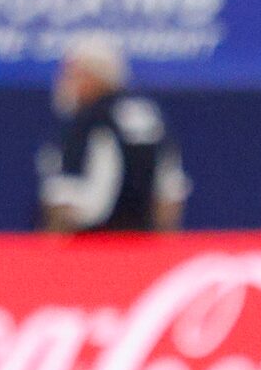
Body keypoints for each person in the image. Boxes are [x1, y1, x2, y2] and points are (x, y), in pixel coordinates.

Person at [39, 34, 187, 234]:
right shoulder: (148, 113)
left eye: (73, 74)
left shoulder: (86, 122)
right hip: (144, 245)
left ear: (94, 76)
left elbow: (64, 201)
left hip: (89, 245)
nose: (65, 83)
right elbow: (169, 196)